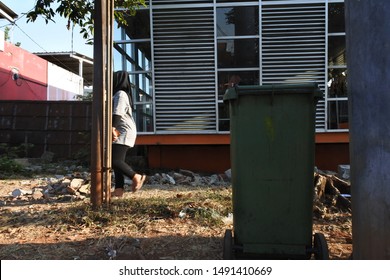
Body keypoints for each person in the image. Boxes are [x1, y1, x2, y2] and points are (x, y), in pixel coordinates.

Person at [111, 70, 146, 197]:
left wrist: (112, 127)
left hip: (124, 130)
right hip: (122, 129)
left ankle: (136, 176)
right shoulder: (118, 94)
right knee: (116, 161)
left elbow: (118, 112)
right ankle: (119, 190)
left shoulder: (121, 94)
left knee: (114, 160)